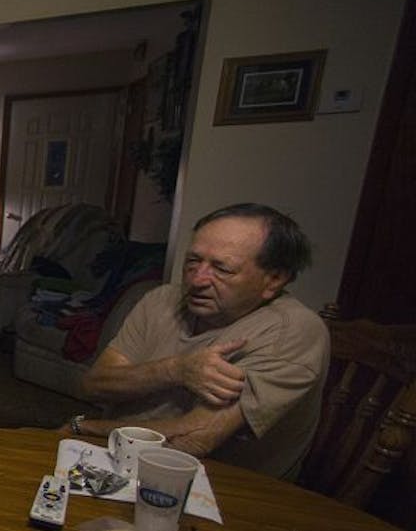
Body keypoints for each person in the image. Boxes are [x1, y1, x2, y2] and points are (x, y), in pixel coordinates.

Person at [67, 203, 329, 480]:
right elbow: (94, 385)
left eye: (222, 269)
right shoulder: (162, 299)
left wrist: (85, 428)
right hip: (118, 457)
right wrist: (176, 370)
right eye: (193, 261)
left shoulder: (293, 331)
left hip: (223, 489)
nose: (198, 280)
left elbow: (195, 439)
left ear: (273, 280)